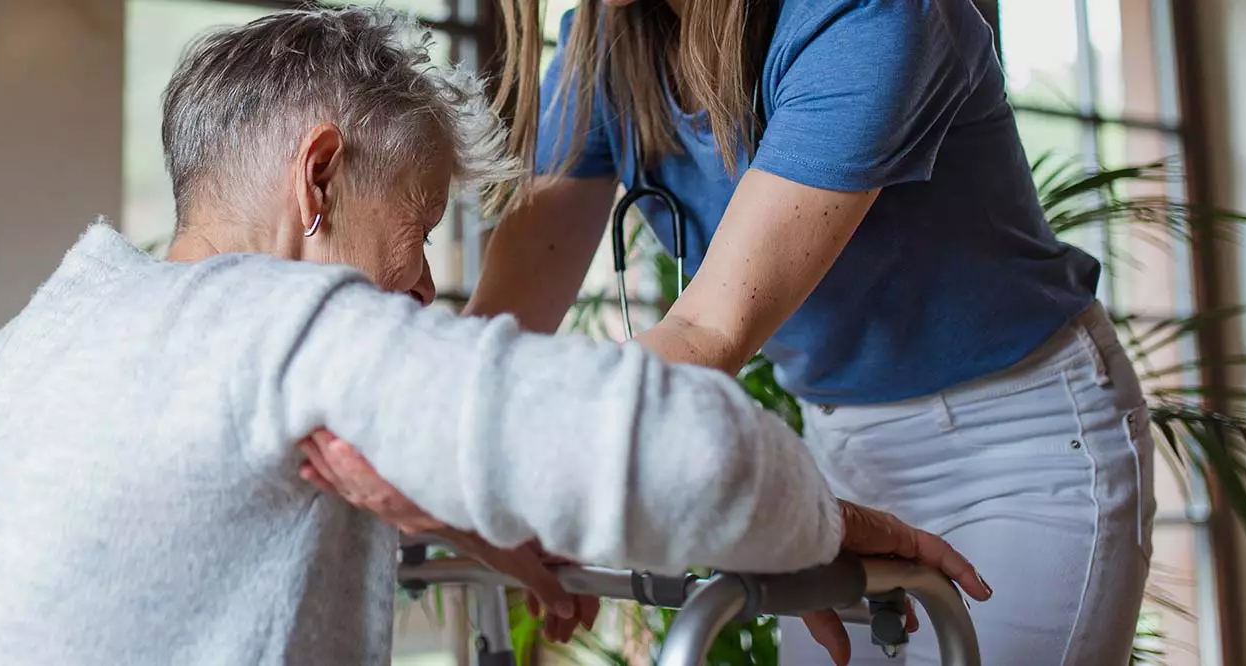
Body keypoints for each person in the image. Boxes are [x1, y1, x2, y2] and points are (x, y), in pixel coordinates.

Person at [0, 7, 986, 666]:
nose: (422, 291)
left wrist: (474, 501)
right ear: (318, 177)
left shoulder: (61, 326)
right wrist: (815, 523)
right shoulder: (280, 327)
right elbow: (697, 454)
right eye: (413, 230)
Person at [300, 1, 1152, 664]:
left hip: (1022, 444)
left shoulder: (868, 16)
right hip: (842, 450)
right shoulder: (605, 44)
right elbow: (503, 332)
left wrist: (495, 481)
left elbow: (709, 331)